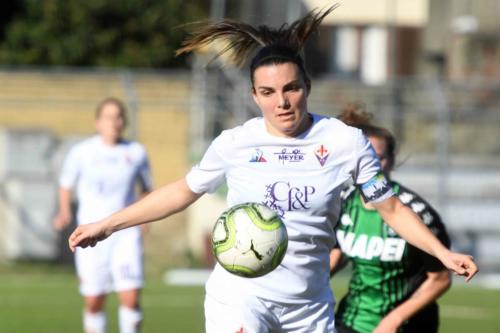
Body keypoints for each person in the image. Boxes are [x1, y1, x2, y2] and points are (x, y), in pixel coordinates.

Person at [67, 6, 477, 333]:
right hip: (241, 298)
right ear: (254, 95)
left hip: (309, 305)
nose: (281, 102)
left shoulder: (345, 142)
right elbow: (181, 192)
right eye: (268, 92)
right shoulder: (235, 143)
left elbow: (390, 209)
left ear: (307, 87)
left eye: (291, 89)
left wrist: (442, 252)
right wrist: (108, 225)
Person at [330, 103, 452, 333]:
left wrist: (393, 320)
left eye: (379, 159)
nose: (371, 166)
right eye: (366, 159)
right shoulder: (343, 202)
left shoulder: (416, 214)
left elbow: (440, 278)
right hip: (352, 320)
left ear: (392, 160)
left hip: (406, 325)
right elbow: (335, 254)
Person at [53, 97, 152, 333]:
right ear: (97, 122)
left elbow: (147, 189)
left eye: (118, 116)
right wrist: (65, 211)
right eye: (108, 117)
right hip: (91, 236)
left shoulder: (136, 152)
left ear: (124, 121)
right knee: (94, 301)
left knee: (130, 298)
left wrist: (145, 217)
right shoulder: (82, 152)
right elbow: (66, 184)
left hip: (125, 234)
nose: (114, 122)